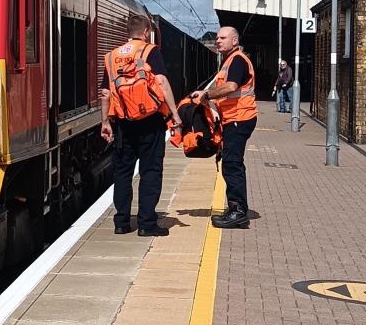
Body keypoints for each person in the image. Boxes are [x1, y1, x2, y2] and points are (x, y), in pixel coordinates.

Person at [100, 13, 181, 237]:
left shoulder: (111, 57)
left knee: (122, 173)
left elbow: (105, 94)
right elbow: (162, 82)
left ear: (128, 32)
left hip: (123, 124)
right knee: (150, 171)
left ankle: (121, 222)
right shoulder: (150, 51)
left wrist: (105, 122)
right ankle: (147, 224)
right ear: (146, 32)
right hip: (151, 122)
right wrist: (174, 113)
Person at [192, 26, 257, 228]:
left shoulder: (237, 60)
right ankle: (235, 208)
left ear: (234, 41)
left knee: (232, 164)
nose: (218, 40)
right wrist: (204, 92)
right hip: (234, 118)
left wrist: (207, 95)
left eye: (223, 38)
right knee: (231, 163)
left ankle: (238, 213)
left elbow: (230, 87)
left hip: (239, 118)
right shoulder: (229, 60)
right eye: (217, 37)